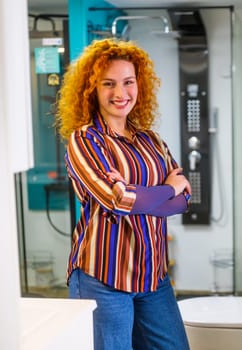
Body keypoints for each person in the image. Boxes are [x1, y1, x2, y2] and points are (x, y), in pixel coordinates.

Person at [55, 38, 191, 350]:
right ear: (93, 89)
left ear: (138, 85)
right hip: (103, 278)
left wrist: (138, 197)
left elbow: (184, 201)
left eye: (128, 82)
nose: (120, 93)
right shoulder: (85, 140)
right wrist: (167, 188)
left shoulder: (151, 140)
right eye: (109, 84)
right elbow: (119, 200)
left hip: (153, 276)